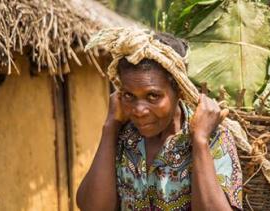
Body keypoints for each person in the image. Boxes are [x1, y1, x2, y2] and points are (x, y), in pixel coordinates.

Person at [76, 28, 243, 211]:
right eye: (129, 95)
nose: (139, 110)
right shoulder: (123, 138)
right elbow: (92, 207)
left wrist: (200, 141)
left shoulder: (213, 138)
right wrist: (109, 127)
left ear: (179, 90)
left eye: (153, 96)